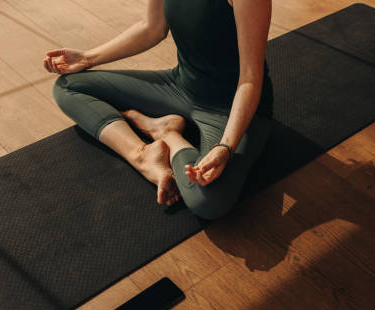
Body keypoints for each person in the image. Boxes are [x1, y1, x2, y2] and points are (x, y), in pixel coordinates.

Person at [45, 0, 274, 220]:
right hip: (180, 87)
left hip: (231, 108)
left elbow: (251, 78)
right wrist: (87, 58)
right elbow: (152, 28)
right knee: (68, 86)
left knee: (207, 201)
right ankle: (143, 156)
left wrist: (225, 146)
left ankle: (167, 134)